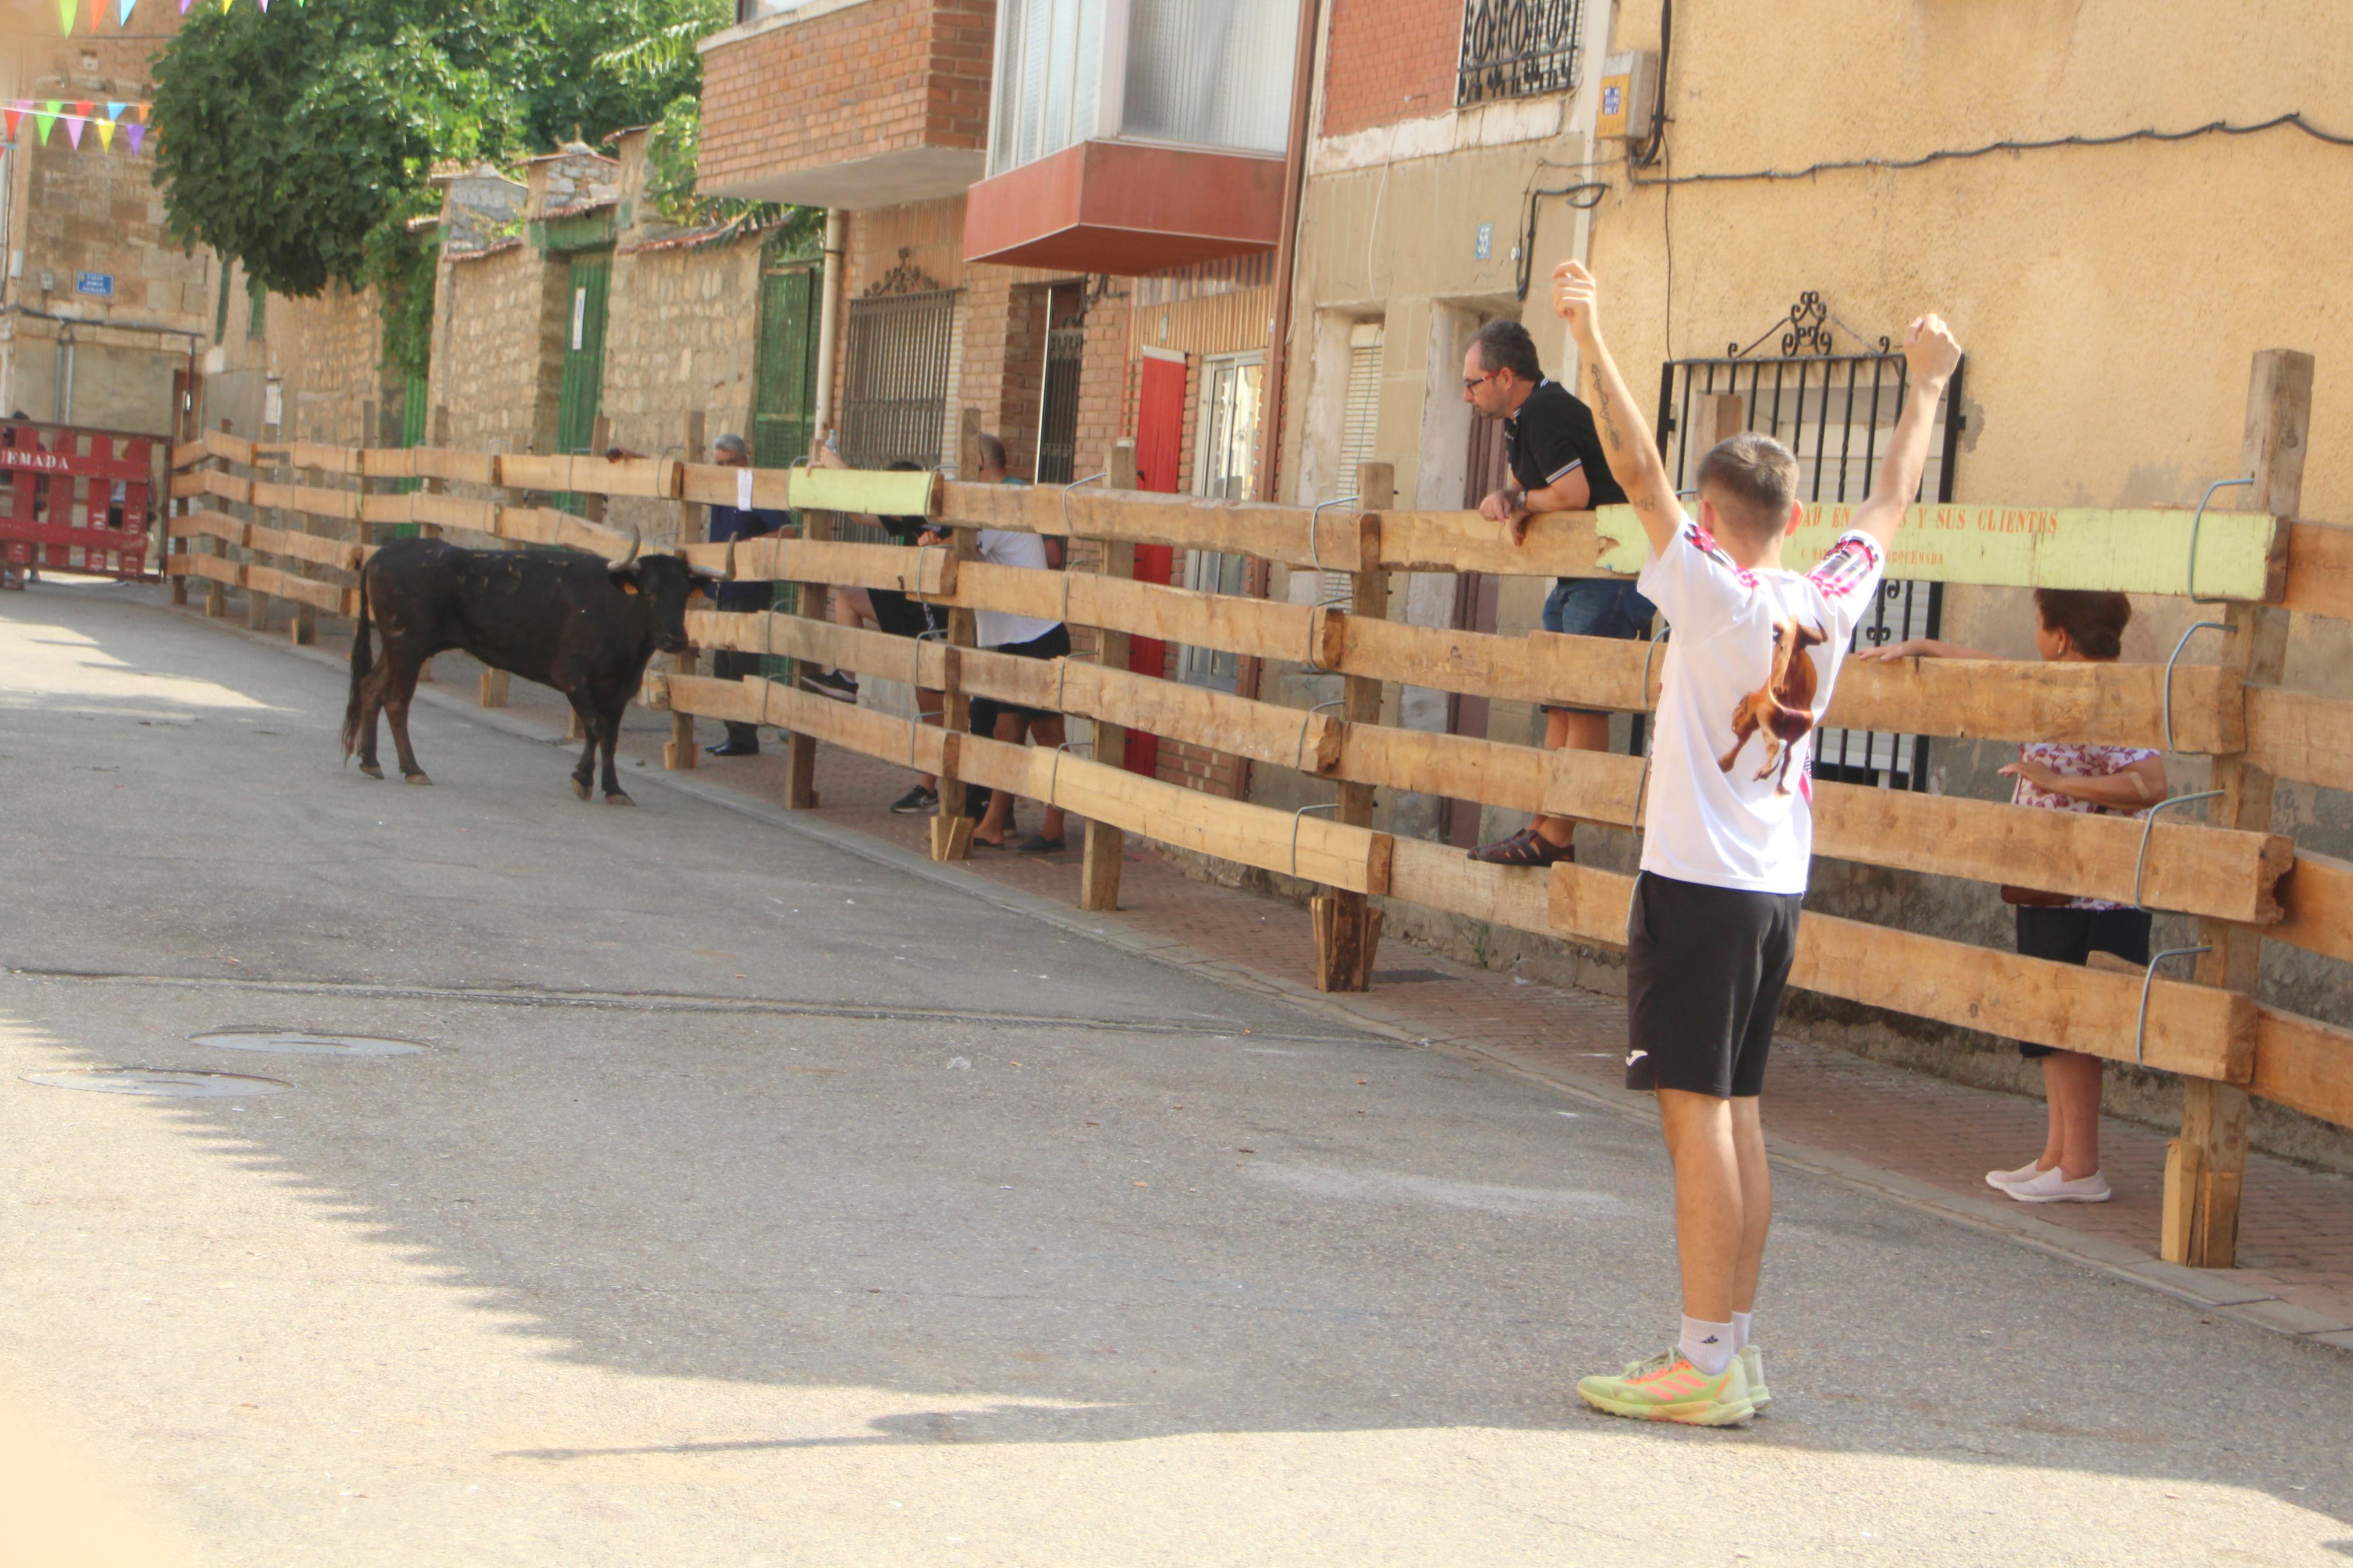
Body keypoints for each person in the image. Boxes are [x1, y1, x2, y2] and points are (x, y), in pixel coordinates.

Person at [1550, 257, 1961, 1427]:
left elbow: (1630, 463)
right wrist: (1925, 387)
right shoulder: (1826, 596)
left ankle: (1698, 1357)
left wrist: (1588, 333)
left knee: (1695, 1114)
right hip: (1773, 885)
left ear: (1714, 517)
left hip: (1698, 884)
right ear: (1787, 519)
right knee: (1736, 1110)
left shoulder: (1717, 594)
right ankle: (1731, 1347)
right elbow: (1886, 502)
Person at [1861, 592, 2162, 1205]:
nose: (2031, 634)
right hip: (2048, 885)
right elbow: (1983, 663)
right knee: (2045, 1022)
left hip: (2092, 896)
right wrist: (1921, 646)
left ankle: (2081, 1167)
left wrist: (2058, 782)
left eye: (2037, 624)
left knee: (2072, 1025)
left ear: (2059, 636)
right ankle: (2057, 1156)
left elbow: (2150, 784)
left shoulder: (2109, 697)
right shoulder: (2049, 684)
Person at [1461, 317, 1641, 868]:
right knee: (1560, 705)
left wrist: (1520, 503)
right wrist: (1508, 494)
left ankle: (1557, 835)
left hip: (1610, 570)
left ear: (1506, 376)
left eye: (1473, 382)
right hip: (1581, 572)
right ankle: (1543, 825)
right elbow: (1545, 485)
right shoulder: (1525, 415)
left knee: (1583, 705)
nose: (1467, 394)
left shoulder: (1542, 412)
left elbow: (1570, 492)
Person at [806, 450, 950, 816]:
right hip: (907, 604)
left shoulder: (925, 511)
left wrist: (841, 467)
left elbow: (864, 497)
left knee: (934, 709)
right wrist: (827, 475)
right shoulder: (905, 517)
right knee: (849, 599)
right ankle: (847, 679)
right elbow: (857, 511)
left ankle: (932, 787)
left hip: (931, 616)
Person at [967, 432, 1069, 852]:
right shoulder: (1009, 499)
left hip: (1036, 636)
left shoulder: (998, 507)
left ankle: (1053, 827)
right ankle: (994, 822)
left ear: (978, 463)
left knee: (1047, 736)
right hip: (1014, 637)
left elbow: (963, 551)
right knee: (1005, 730)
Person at [701, 435, 787, 757]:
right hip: (723, 586)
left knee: (742, 662)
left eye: (730, 463)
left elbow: (786, 530)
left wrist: (747, 547)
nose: (724, 469)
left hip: (748, 588)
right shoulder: (716, 489)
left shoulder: (755, 489)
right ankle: (735, 732)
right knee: (722, 663)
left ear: (744, 459)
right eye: (719, 463)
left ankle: (744, 735)